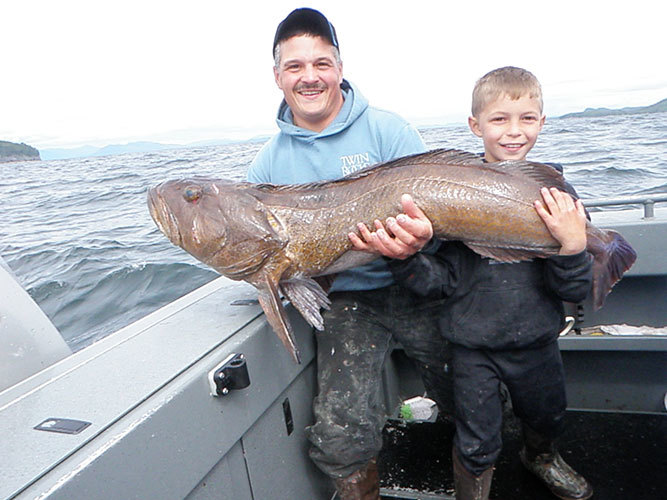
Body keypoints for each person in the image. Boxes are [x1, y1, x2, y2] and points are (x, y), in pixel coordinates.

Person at [246, 8, 452, 499]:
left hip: (417, 281)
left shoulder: (388, 131)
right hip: (347, 302)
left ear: (339, 68)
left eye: (321, 63)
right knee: (341, 436)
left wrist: (423, 239)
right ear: (277, 76)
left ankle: (503, 459)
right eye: (294, 66)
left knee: (475, 395)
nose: (309, 76)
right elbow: (269, 256)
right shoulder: (266, 168)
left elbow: (442, 209)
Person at [380, 67, 594, 500]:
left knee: (548, 415)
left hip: (538, 342)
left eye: (527, 118)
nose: (514, 131)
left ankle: (541, 457)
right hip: (472, 348)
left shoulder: (558, 193)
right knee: (475, 439)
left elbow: (573, 291)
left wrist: (574, 247)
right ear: (475, 125)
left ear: (541, 122)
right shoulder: (446, 194)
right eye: (499, 119)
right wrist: (404, 259)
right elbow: (434, 284)